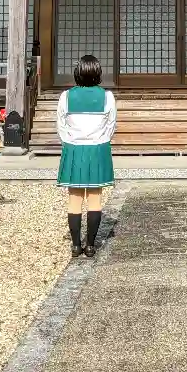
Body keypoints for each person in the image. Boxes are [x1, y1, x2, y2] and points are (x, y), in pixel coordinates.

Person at [55, 54, 116, 257]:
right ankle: (90, 245)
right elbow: (111, 126)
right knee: (95, 198)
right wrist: (100, 139)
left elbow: (61, 126)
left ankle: (75, 245)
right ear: (98, 73)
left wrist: (71, 141)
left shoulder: (66, 96)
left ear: (77, 73)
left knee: (74, 198)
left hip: (74, 148)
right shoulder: (107, 97)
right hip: (98, 149)